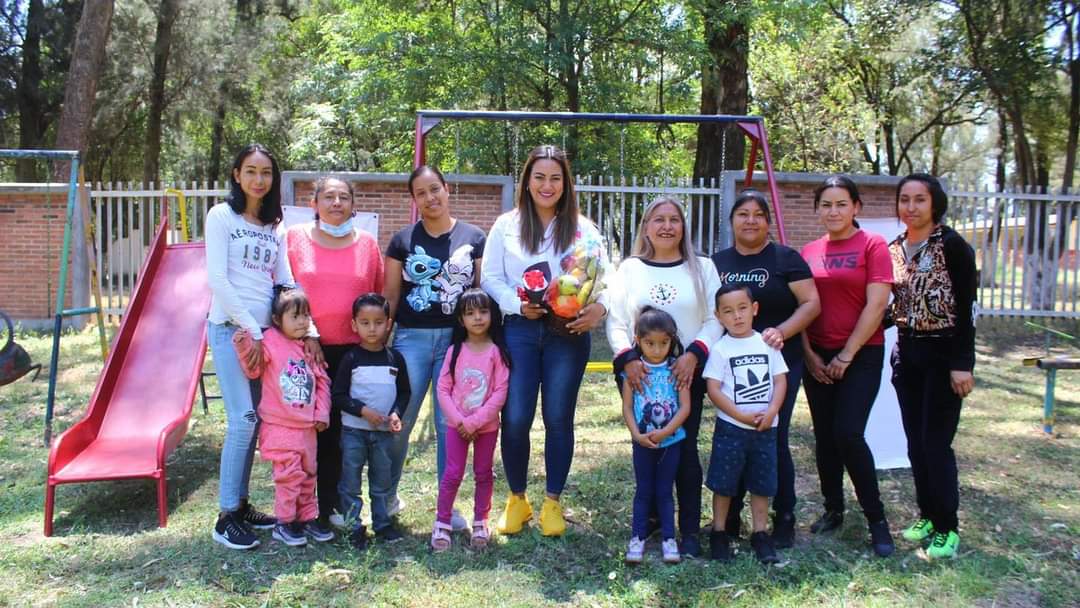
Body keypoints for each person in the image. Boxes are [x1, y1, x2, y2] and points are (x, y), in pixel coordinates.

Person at [481, 144, 610, 538]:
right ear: (527, 181)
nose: (547, 185)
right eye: (540, 177)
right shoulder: (507, 224)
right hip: (519, 330)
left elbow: (605, 276)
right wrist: (517, 306)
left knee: (558, 418)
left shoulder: (583, 229)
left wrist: (599, 309)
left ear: (565, 183)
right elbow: (490, 277)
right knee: (516, 417)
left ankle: (552, 502)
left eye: (556, 177)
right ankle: (517, 500)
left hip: (566, 334)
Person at [606, 195, 723, 557]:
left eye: (674, 219)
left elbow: (715, 317)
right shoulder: (629, 269)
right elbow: (616, 320)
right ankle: (654, 522)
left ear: (684, 227)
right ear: (646, 227)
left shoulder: (701, 267)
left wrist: (693, 355)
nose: (667, 226)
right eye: (659, 219)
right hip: (641, 375)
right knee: (648, 447)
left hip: (685, 376)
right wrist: (628, 360)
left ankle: (688, 529)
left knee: (684, 453)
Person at [206, 143, 304, 550]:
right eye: (251, 171)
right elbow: (218, 279)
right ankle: (226, 515)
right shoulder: (221, 215)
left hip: (267, 336)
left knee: (258, 419)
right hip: (232, 330)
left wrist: (304, 326)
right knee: (243, 419)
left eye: (266, 173)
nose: (258, 180)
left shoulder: (274, 226)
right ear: (236, 174)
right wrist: (252, 327)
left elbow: (285, 279)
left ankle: (243, 504)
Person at [711, 189, 820, 548]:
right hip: (730, 368)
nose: (751, 220)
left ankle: (783, 515)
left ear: (768, 221)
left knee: (772, 437)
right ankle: (729, 520)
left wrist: (781, 333)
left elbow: (810, 303)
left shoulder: (786, 259)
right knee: (734, 440)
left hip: (777, 367)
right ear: (732, 222)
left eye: (758, 214)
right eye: (743, 214)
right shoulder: (718, 263)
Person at [384, 165, 486, 532]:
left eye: (435, 189)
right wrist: (381, 343)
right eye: (421, 193)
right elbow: (391, 296)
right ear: (414, 200)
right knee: (400, 420)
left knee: (449, 427)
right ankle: (386, 499)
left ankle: (447, 509)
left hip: (455, 344)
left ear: (447, 189)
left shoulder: (474, 237)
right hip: (410, 338)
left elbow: (479, 296)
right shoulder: (402, 241)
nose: (430, 198)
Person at [800, 175, 895, 557]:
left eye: (841, 204)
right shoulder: (808, 252)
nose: (833, 211)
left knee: (848, 435)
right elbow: (802, 307)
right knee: (824, 437)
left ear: (856, 207)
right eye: (826, 205)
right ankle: (833, 508)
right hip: (817, 356)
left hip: (861, 355)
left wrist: (847, 354)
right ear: (818, 210)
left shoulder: (873, 245)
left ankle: (877, 520)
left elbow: (877, 306)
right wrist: (809, 354)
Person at [287, 175, 384, 527]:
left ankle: (338, 506)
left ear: (354, 205)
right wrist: (307, 332)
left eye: (344, 197)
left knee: (346, 435)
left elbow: (376, 298)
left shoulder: (368, 245)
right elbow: (285, 293)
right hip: (305, 351)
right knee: (307, 433)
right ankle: (300, 507)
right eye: (328, 197)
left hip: (354, 354)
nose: (337, 203)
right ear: (314, 204)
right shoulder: (294, 239)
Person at [888, 173, 977, 560]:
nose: (911, 207)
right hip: (907, 355)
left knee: (935, 444)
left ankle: (947, 528)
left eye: (919, 199)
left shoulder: (953, 246)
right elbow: (893, 307)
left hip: (944, 358)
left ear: (934, 204)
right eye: (905, 199)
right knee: (914, 442)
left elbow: (968, 310)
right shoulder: (895, 248)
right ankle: (927, 514)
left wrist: (962, 364)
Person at [233, 288, 333, 547]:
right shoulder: (270, 342)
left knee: (309, 474)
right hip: (279, 427)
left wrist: (321, 413)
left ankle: (307, 517)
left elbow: (322, 382)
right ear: (277, 320)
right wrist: (244, 345)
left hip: (307, 429)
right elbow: (253, 370)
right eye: (295, 316)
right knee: (288, 476)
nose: (302, 322)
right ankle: (285, 522)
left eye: (306, 316)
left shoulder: (310, 347)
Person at [703, 284, 788, 564]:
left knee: (762, 484)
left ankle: (760, 533)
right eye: (728, 311)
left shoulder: (767, 343)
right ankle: (719, 532)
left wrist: (772, 410)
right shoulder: (720, 349)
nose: (736, 316)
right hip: (731, 430)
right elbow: (714, 389)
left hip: (766, 429)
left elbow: (779, 380)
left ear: (754, 309)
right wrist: (739, 416)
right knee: (724, 483)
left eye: (742, 308)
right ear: (718, 316)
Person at [431, 289, 511, 552]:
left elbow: (500, 391)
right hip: (456, 426)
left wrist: (475, 422)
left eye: (483, 311)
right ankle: (442, 522)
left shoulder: (497, 353)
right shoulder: (455, 351)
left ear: (492, 314)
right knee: (452, 473)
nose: (477, 318)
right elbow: (442, 389)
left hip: (486, 427)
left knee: (483, 473)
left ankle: (481, 520)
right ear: (460, 319)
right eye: (470, 313)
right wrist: (459, 420)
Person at [332, 294, 411, 550]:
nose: (372, 328)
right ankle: (354, 527)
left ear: (388, 323)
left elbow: (404, 392)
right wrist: (363, 411)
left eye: (378, 322)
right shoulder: (351, 359)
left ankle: (382, 524)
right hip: (354, 431)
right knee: (351, 481)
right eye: (365, 322)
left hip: (383, 434)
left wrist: (396, 413)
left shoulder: (395, 359)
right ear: (354, 325)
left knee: (381, 481)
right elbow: (339, 396)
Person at [621, 307, 690, 565]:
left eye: (663, 343)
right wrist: (636, 435)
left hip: (671, 443)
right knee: (643, 491)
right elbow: (627, 407)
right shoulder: (633, 372)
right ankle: (637, 538)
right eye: (650, 343)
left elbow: (685, 407)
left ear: (672, 340)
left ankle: (669, 539)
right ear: (638, 340)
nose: (657, 349)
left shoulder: (677, 370)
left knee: (664, 491)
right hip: (642, 444)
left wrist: (666, 432)